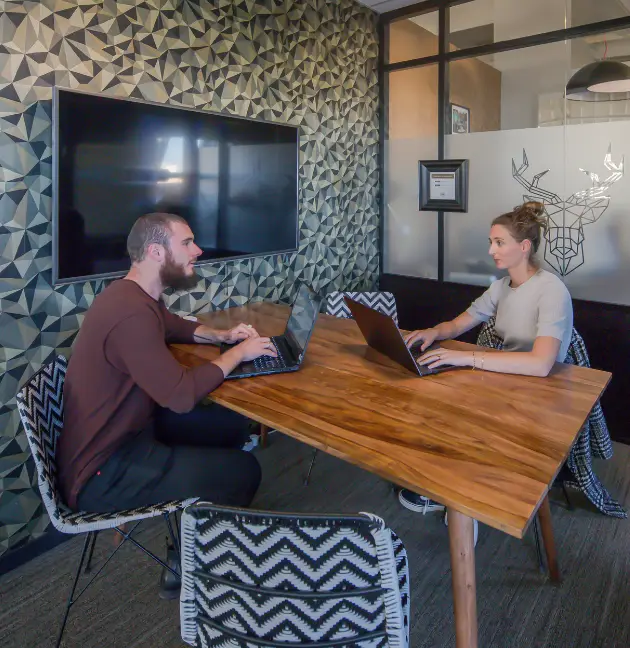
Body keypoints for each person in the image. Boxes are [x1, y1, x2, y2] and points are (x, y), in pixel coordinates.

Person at [57, 212, 277, 597]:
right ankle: (190, 559)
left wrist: (219, 335)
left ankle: (197, 507)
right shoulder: (130, 314)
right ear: (157, 252)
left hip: (129, 433)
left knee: (230, 426)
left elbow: (174, 324)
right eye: (188, 243)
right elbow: (178, 395)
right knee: (244, 471)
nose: (199, 250)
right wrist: (238, 353)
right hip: (103, 471)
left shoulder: (132, 295)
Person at [398, 201, 573, 525]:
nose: (492, 250)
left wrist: (466, 357)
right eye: (491, 242)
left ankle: (465, 499)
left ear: (523, 247)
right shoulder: (501, 287)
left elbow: (541, 364)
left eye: (499, 242)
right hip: (507, 376)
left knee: (463, 412)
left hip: (542, 389)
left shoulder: (552, 291)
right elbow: (460, 323)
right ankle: (446, 486)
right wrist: (433, 331)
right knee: (435, 397)